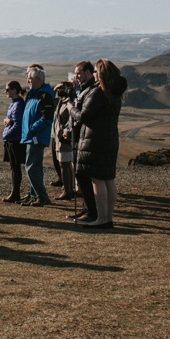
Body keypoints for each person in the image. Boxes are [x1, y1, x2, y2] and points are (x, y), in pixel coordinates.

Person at [69, 58, 128, 229]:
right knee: (108, 179)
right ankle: (108, 217)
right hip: (110, 138)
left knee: (98, 180)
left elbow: (85, 116)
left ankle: (101, 218)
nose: (93, 75)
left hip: (95, 139)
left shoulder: (99, 92)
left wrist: (71, 108)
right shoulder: (115, 92)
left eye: (95, 72)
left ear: (100, 73)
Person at [67, 61, 99, 222]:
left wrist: (70, 107)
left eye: (79, 73)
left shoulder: (92, 90)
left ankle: (92, 211)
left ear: (88, 72)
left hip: (85, 136)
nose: (77, 76)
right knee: (81, 174)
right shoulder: (86, 89)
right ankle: (88, 208)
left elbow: (83, 115)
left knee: (84, 174)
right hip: (80, 136)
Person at [20, 65, 55, 207]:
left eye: (30, 78)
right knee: (34, 167)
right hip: (31, 135)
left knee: (32, 166)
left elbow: (46, 118)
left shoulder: (44, 95)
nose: (28, 81)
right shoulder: (34, 93)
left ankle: (41, 196)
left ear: (38, 79)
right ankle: (34, 195)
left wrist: (32, 129)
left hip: (36, 136)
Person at [1, 80, 27, 203]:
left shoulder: (18, 104)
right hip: (11, 139)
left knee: (15, 168)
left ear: (15, 90)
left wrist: (7, 132)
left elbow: (17, 125)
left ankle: (15, 193)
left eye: (8, 89)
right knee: (14, 167)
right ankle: (14, 192)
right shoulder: (14, 103)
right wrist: (8, 121)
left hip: (14, 140)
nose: (6, 92)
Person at [52, 79, 77, 201]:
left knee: (65, 164)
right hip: (59, 137)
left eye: (63, 88)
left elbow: (72, 120)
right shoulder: (62, 101)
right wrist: (55, 90)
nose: (61, 91)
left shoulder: (70, 102)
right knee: (63, 164)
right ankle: (68, 189)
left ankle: (67, 190)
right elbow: (50, 101)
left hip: (65, 138)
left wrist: (67, 130)